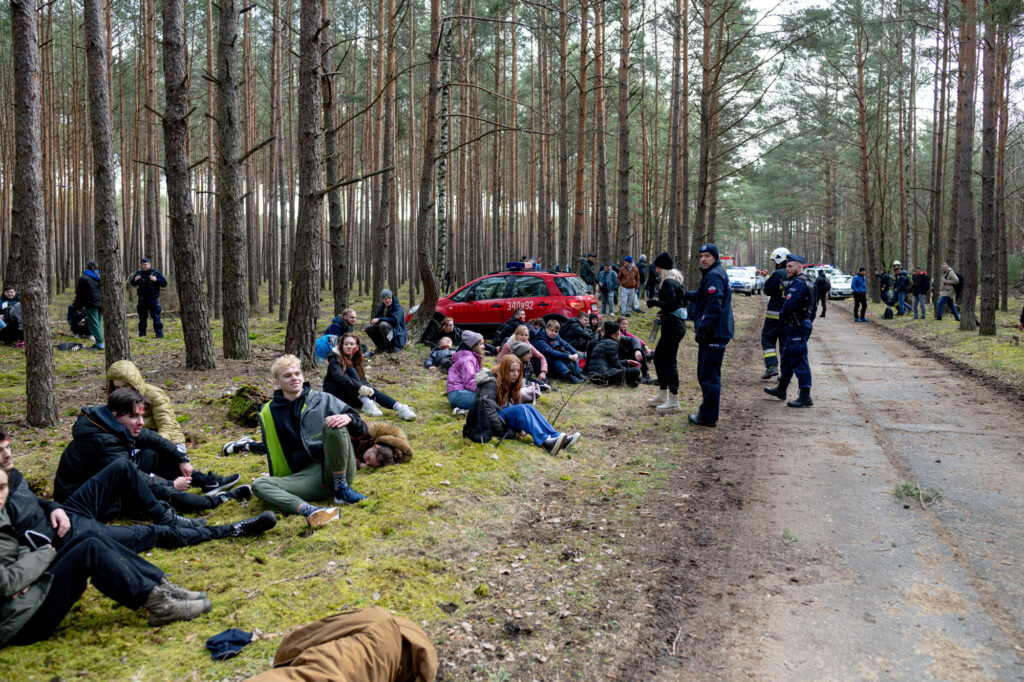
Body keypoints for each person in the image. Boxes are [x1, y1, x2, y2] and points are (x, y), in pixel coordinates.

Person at [0, 468, 214, 641]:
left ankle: (160, 586)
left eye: (2, 488)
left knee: (91, 539)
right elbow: (5, 584)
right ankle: (160, 605)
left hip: (30, 590)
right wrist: (42, 556)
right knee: (89, 550)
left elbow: (16, 552)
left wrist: (29, 570)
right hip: (19, 620)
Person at [2, 428, 275, 555]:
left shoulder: (10, 472)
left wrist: (52, 507)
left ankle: (190, 499)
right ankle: (232, 529)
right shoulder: (103, 439)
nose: (9, 454)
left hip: (65, 511)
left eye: (8, 447)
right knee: (150, 533)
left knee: (128, 466)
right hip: (63, 537)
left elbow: (151, 437)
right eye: (1, 451)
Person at [55, 389, 248, 517]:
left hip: (102, 486)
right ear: (116, 415)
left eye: (142, 415)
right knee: (160, 493)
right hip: (86, 504)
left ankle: (205, 482)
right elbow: (136, 477)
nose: (140, 421)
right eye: (134, 416)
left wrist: (182, 458)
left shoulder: (111, 424)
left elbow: (152, 438)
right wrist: (171, 484)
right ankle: (215, 501)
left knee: (150, 454)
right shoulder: (103, 441)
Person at [251, 355, 368, 528]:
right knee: (258, 484)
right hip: (306, 477)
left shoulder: (323, 399)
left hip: (336, 467)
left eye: (297, 373)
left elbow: (362, 428)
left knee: (332, 423)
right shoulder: (268, 411)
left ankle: (341, 489)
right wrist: (278, 477)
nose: (295, 378)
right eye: (288, 376)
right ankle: (310, 510)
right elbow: (271, 446)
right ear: (277, 382)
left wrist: (348, 418)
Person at [465, 355, 580, 455]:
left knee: (528, 407)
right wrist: (511, 433)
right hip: (489, 422)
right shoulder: (491, 384)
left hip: (500, 417)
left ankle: (557, 437)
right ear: (504, 370)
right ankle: (545, 441)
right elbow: (486, 414)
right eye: (512, 371)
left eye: (518, 371)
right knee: (520, 409)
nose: (516, 374)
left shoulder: (508, 382)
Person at [684, 244, 734, 427]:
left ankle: (709, 416)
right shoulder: (713, 273)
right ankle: (707, 412)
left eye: (707, 256)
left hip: (714, 333)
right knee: (705, 373)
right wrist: (687, 295)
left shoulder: (714, 274)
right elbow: (705, 295)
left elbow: (714, 304)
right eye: (701, 256)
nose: (703, 259)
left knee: (709, 375)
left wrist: (703, 328)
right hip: (714, 332)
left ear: (715, 257)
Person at [323, 333, 417, 420]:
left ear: (357, 346)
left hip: (351, 393)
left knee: (372, 391)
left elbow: (362, 377)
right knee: (350, 369)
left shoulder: (356, 358)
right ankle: (366, 402)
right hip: (335, 394)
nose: (349, 346)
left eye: (352, 344)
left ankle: (401, 408)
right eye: (346, 344)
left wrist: (367, 388)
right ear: (341, 345)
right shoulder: (334, 357)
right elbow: (339, 377)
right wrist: (360, 388)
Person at [764, 254, 815, 408]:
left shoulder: (798, 283)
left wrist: (783, 316)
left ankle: (805, 396)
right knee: (787, 358)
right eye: (786, 266)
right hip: (799, 325)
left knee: (799, 359)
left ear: (800, 267)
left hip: (796, 326)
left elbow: (789, 304)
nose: (787, 269)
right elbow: (814, 309)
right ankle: (781, 389)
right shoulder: (809, 282)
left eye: (790, 266)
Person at [646, 252, 687, 410]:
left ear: (662, 267)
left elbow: (670, 304)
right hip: (674, 324)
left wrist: (655, 303)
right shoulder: (677, 283)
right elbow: (679, 304)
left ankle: (674, 400)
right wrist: (663, 312)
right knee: (659, 358)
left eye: (657, 267)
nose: (656, 270)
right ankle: (663, 395)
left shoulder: (668, 283)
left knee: (669, 361)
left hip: (672, 326)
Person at [760, 248, 790, 379]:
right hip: (788, 317)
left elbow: (767, 290)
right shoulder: (793, 274)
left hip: (773, 316)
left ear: (779, 260)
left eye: (774, 260)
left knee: (768, 339)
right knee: (784, 344)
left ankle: (771, 367)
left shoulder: (777, 274)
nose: (773, 263)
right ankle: (785, 373)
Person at [585, 322, 641, 387]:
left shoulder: (603, 341)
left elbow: (609, 362)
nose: (620, 333)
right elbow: (615, 363)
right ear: (615, 333)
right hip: (603, 375)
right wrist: (625, 370)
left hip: (594, 373)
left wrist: (627, 361)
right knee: (636, 370)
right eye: (619, 331)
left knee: (630, 370)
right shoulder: (612, 343)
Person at [533, 319, 585, 384]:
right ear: (546, 329)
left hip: (555, 365)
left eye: (556, 331)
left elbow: (566, 344)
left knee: (567, 353)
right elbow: (551, 352)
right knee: (555, 357)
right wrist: (568, 356)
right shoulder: (540, 339)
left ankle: (578, 373)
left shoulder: (556, 337)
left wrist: (575, 353)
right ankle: (568, 376)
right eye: (552, 330)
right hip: (542, 367)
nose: (554, 333)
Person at [447, 330, 487, 413]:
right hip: (459, 394)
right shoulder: (467, 359)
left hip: (458, 393)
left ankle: (464, 410)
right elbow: (469, 382)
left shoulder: (470, 357)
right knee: (489, 400)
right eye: (481, 344)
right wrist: (485, 389)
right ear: (473, 346)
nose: (484, 346)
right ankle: (465, 411)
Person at [128, 258, 168, 338]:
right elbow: (132, 283)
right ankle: (142, 335)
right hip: (142, 299)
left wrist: (156, 279)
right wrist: (134, 280)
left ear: (149, 264)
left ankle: (159, 335)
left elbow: (164, 283)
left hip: (153, 299)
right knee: (142, 319)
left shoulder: (156, 273)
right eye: (142, 264)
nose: (144, 266)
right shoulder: (139, 273)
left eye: (145, 264)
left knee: (156, 318)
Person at [614, 317, 656, 384]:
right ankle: (645, 373)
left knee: (641, 350)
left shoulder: (624, 332)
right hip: (623, 356)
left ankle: (648, 362)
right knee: (641, 351)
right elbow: (631, 339)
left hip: (627, 353)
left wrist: (645, 346)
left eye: (626, 324)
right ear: (618, 324)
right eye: (623, 324)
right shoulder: (618, 333)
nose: (625, 326)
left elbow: (635, 338)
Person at [74, 260, 103, 350]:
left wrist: (77, 306)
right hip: (101, 303)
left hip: (91, 304)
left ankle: (100, 343)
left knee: (93, 324)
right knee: (98, 323)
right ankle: (99, 342)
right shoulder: (100, 277)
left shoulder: (83, 278)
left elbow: (79, 294)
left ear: (87, 267)